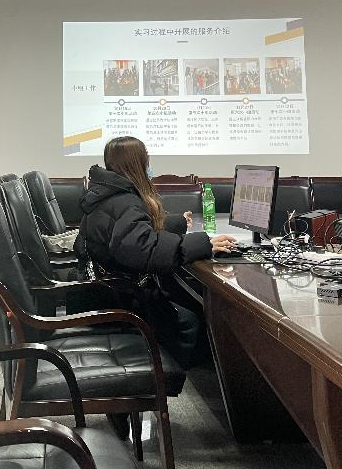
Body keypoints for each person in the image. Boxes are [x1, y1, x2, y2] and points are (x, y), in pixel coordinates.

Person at [74, 136, 237, 370]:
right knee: (192, 319)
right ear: (138, 164)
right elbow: (144, 248)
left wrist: (176, 223)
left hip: (101, 292)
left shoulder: (106, 194)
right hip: (121, 300)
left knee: (187, 300)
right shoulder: (125, 201)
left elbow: (127, 230)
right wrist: (204, 244)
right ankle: (172, 376)